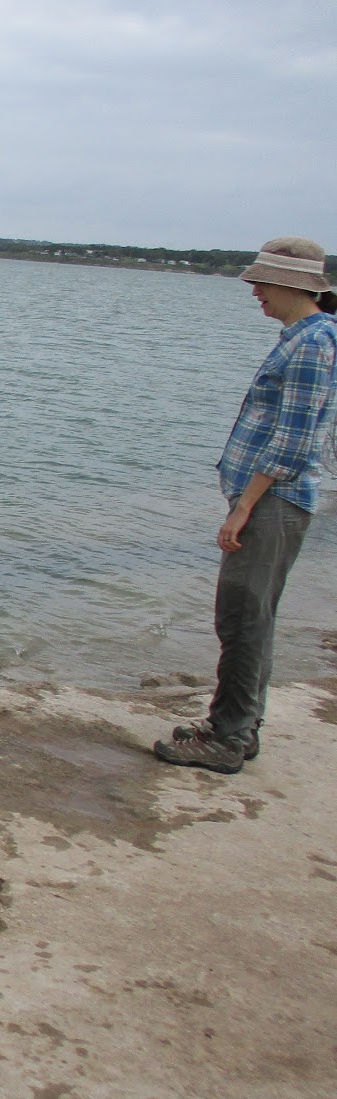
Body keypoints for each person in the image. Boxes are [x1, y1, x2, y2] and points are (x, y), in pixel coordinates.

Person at [154, 237, 337, 774]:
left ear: (292, 283)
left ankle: (228, 738)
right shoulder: (305, 337)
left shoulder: (311, 343)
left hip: (273, 500)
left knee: (241, 617)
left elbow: (294, 439)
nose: (255, 290)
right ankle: (237, 726)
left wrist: (244, 507)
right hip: (273, 499)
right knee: (251, 614)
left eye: (261, 281)